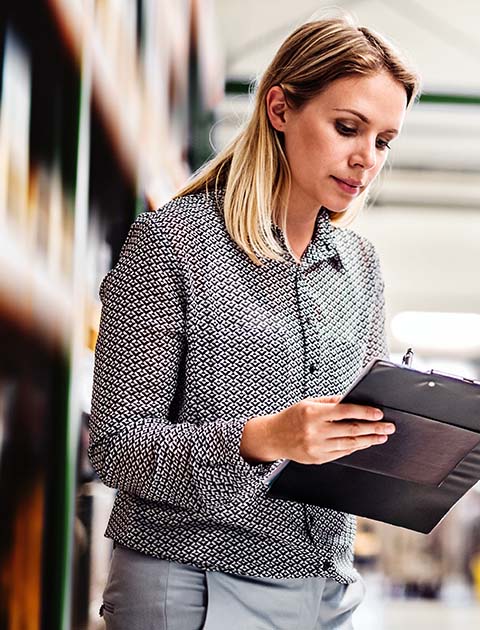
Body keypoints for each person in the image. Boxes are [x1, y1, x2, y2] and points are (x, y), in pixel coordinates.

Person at [89, 16, 418, 629]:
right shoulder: (174, 244)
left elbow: (348, 437)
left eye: (383, 141)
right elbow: (117, 448)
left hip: (327, 587)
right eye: (347, 127)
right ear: (279, 108)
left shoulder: (359, 268)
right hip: (193, 582)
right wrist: (258, 439)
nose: (365, 159)